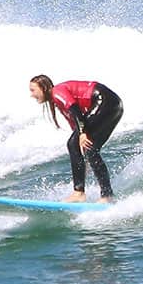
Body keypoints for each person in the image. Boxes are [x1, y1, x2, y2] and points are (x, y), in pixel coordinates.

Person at [29, 75, 123, 203]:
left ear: (44, 88)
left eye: (33, 90)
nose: (32, 95)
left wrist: (83, 133)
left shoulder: (57, 92)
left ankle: (81, 193)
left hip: (105, 101)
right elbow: (75, 124)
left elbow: (75, 110)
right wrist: (82, 153)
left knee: (73, 144)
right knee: (89, 150)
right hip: (114, 104)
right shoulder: (57, 98)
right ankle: (107, 195)